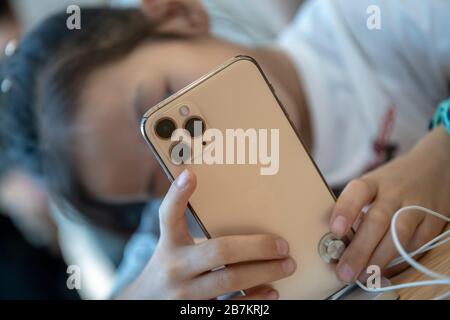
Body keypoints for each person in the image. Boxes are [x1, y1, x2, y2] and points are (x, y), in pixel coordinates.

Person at [0, 0, 449, 298]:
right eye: (161, 171)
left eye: (170, 109)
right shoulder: (194, 229)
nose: (201, 152)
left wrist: (441, 153)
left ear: (179, 13)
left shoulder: (373, 20)